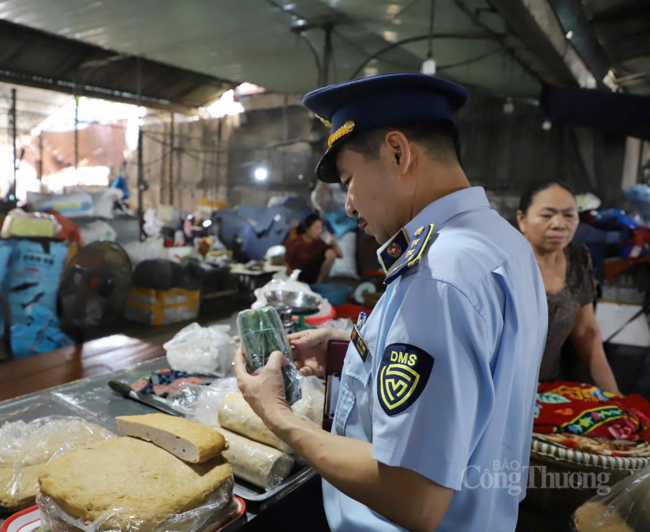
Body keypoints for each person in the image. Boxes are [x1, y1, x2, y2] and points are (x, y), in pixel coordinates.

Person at [233, 73, 548, 532]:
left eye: (349, 181)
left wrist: (276, 414)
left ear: (399, 154)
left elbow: (412, 495)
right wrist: (345, 351)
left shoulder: (439, 274)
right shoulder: (501, 243)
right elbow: (471, 382)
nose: (349, 206)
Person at [516, 181, 622, 396]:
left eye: (569, 215)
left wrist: (616, 396)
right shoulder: (503, 262)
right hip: (498, 389)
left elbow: (586, 331)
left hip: (547, 389)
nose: (559, 224)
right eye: (547, 215)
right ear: (522, 220)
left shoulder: (577, 257)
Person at [284, 213, 343, 284]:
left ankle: (318, 283)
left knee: (331, 253)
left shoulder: (319, 242)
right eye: (316, 228)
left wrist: (334, 243)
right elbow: (286, 263)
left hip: (314, 276)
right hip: (298, 276)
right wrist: (294, 281)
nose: (320, 231)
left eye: (321, 228)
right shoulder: (296, 242)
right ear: (307, 229)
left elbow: (340, 255)